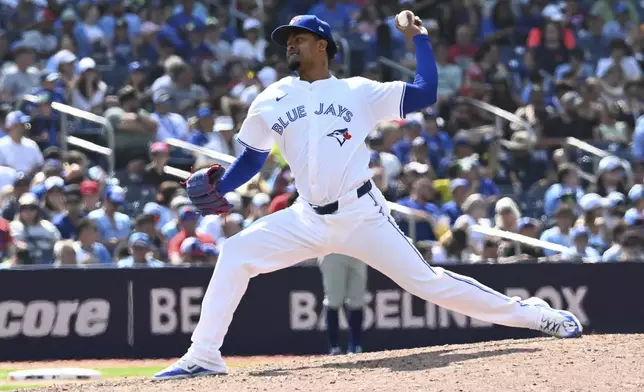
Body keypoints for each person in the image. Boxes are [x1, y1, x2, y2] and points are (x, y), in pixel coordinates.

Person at [155, 14, 583, 380]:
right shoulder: (270, 98)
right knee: (235, 252)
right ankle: (204, 355)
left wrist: (420, 39)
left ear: (322, 46)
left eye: (298, 39)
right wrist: (220, 187)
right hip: (305, 218)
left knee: (427, 283)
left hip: (361, 214)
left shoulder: (359, 92)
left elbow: (425, 91)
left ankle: (532, 314)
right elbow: (252, 159)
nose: (290, 45)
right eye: (287, 41)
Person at [318, 253, 367, 355]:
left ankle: (355, 346)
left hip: (357, 252)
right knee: (333, 300)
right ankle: (334, 347)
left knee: (357, 300)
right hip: (332, 251)